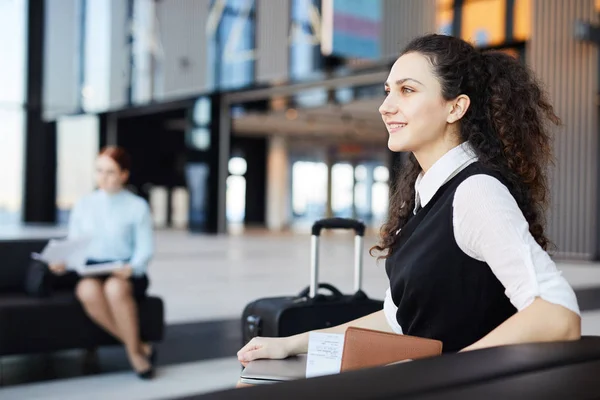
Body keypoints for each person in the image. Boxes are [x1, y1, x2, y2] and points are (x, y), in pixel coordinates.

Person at [237, 34, 582, 365]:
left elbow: (556, 312)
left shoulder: (475, 192)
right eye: (388, 91)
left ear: (456, 108)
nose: (386, 107)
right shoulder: (428, 196)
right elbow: (396, 319)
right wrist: (293, 344)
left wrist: (452, 372)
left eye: (407, 90)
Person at [49, 146, 155, 379]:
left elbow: (145, 248)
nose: (103, 177)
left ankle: (135, 356)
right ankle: (136, 345)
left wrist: (132, 267)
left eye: (110, 172)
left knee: (115, 289)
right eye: (99, 171)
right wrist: (62, 261)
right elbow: (74, 243)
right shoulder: (84, 204)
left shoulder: (137, 206)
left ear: (123, 175)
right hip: (93, 269)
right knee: (86, 290)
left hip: (125, 270)